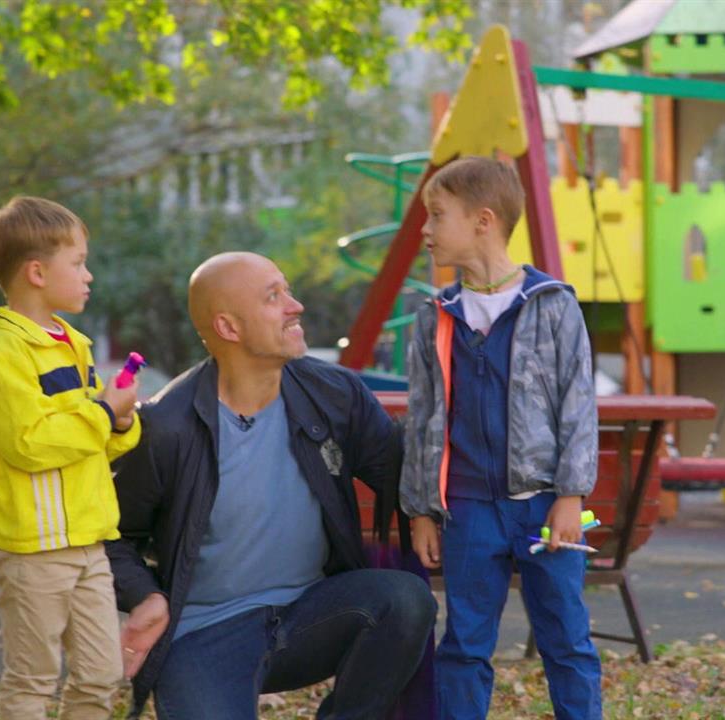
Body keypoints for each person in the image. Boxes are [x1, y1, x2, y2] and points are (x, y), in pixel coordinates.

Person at [106, 252, 436, 720]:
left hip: (311, 616)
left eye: (288, 290)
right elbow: (112, 534)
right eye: (273, 297)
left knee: (403, 600)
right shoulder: (167, 427)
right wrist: (147, 597)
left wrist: (427, 497)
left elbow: (397, 472)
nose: (295, 306)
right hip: (204, 633)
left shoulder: (334, 394)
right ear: (229, 327)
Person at [401, 156, 602, 719]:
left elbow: (578, 406)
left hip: (544, 506)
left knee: (566, 639)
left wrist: (571, 495)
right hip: (467, 509)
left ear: (483, 221)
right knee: (464, 645)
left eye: (437, 215)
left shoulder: (553, 305)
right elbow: (421, 418)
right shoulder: (434, 316)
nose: (426, 229)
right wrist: (421, 510)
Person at [0, 196, 142, 718]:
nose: (89, 275)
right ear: (37, 273)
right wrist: (103, 413)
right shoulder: (5, 353)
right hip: (33, 549)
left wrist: (121, 423)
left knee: (102, 675)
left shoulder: (75, 345)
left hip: (88, 540)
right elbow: (29, 444)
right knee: (33, 680)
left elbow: (90, 440)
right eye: (79, 263)